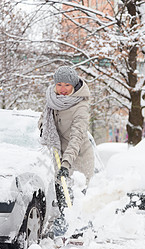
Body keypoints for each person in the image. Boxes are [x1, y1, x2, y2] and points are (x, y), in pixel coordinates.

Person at [38, 66, 94, 235]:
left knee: (75, 201)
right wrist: (43, 127)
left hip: (79, 160)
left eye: (67, 85)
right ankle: (67, 232)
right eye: (59, 84)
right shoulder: (53, 101)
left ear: (74, 86)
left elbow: (76, 138)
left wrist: (66, 165)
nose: (62, 90)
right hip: (60, 157)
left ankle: (79, 233)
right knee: (62, 199)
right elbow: (44, 120)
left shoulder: (81, 107)